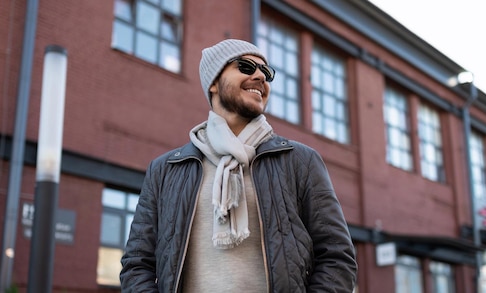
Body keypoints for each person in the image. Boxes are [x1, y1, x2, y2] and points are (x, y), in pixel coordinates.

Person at [120, 38, 357, 292]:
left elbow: (337, 257)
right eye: (245, 67)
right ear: (213, 82)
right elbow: (137, 264)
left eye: (266, 72)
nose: (260, 77)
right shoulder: (165, 170)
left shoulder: (300, 161)